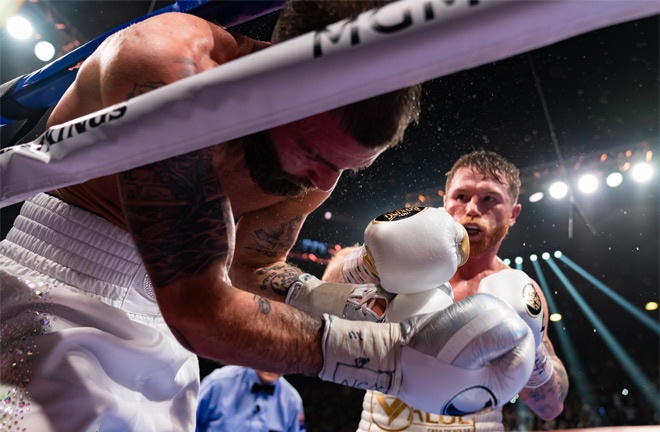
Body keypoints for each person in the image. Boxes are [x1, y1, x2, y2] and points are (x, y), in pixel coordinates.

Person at [0, 1, 535, 430]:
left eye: (348, 167)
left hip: (170, 341)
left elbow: (248, 268)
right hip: (52, 293)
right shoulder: (168, 66)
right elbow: (197, 306)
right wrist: (384, 359)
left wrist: (362, 305)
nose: (324, 182)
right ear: (272, 83)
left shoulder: (320, 158)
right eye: (316, 154)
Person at [322, 150, 570, 431]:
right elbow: (327, 293)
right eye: (461, 197)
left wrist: (532, 347)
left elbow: (549, 408)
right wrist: (369, 258)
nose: (473, 209)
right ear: (445, 203)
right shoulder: (406, 262)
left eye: (489, 198)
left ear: (513, 213)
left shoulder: (522, 291)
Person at [196, 365, 306, 432]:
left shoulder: (292, 401)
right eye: (269, 355)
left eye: (282, 359)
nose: (274, 365)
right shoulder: (218, 382)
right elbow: (187, 425)